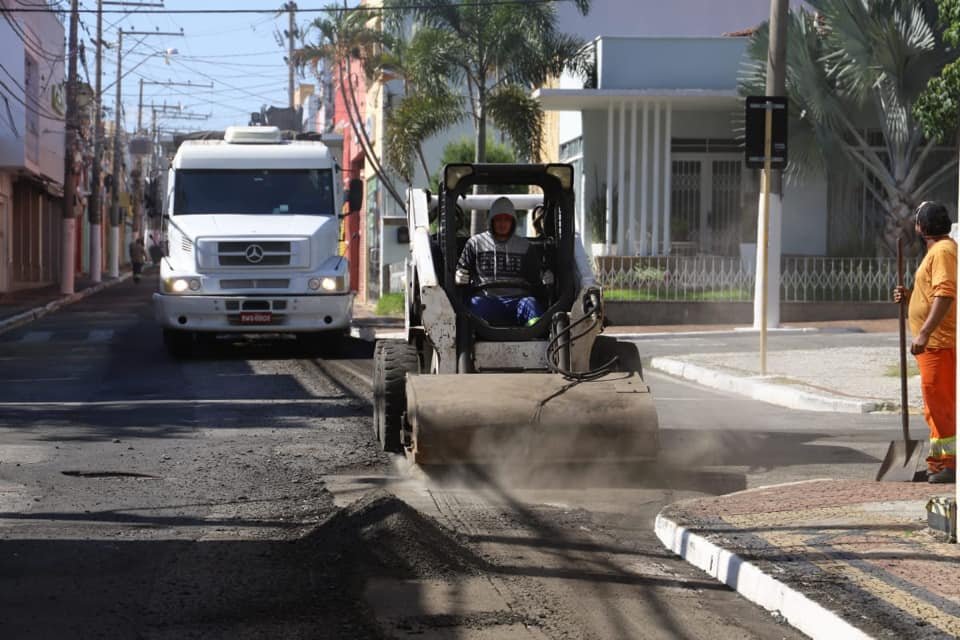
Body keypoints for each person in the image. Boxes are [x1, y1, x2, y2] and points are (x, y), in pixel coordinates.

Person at [892, 200, 957, 484]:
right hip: (933, 345)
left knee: (940, 407)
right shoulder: (937, 251)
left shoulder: (942, 251)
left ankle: (950, 464)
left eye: (917, 222)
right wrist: (909, 297)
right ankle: (937, 463)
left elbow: (945, 294)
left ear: (921, 227)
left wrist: (924, 333)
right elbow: (931, 295)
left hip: (938, 344)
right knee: (933, 407)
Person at [455, 196, 552, 327]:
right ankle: (475, 334)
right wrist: (458, 275)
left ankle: (537, 334)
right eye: (498, 219)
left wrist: (545, 277)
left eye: (506, 219)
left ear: (512, 221)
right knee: (474, 305)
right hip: (486, 299)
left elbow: (535, 277)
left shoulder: (525, 247)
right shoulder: (475, 243)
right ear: (492, 220)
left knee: (531, 304)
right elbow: (462, 268)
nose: (502, 223)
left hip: (518, 300)